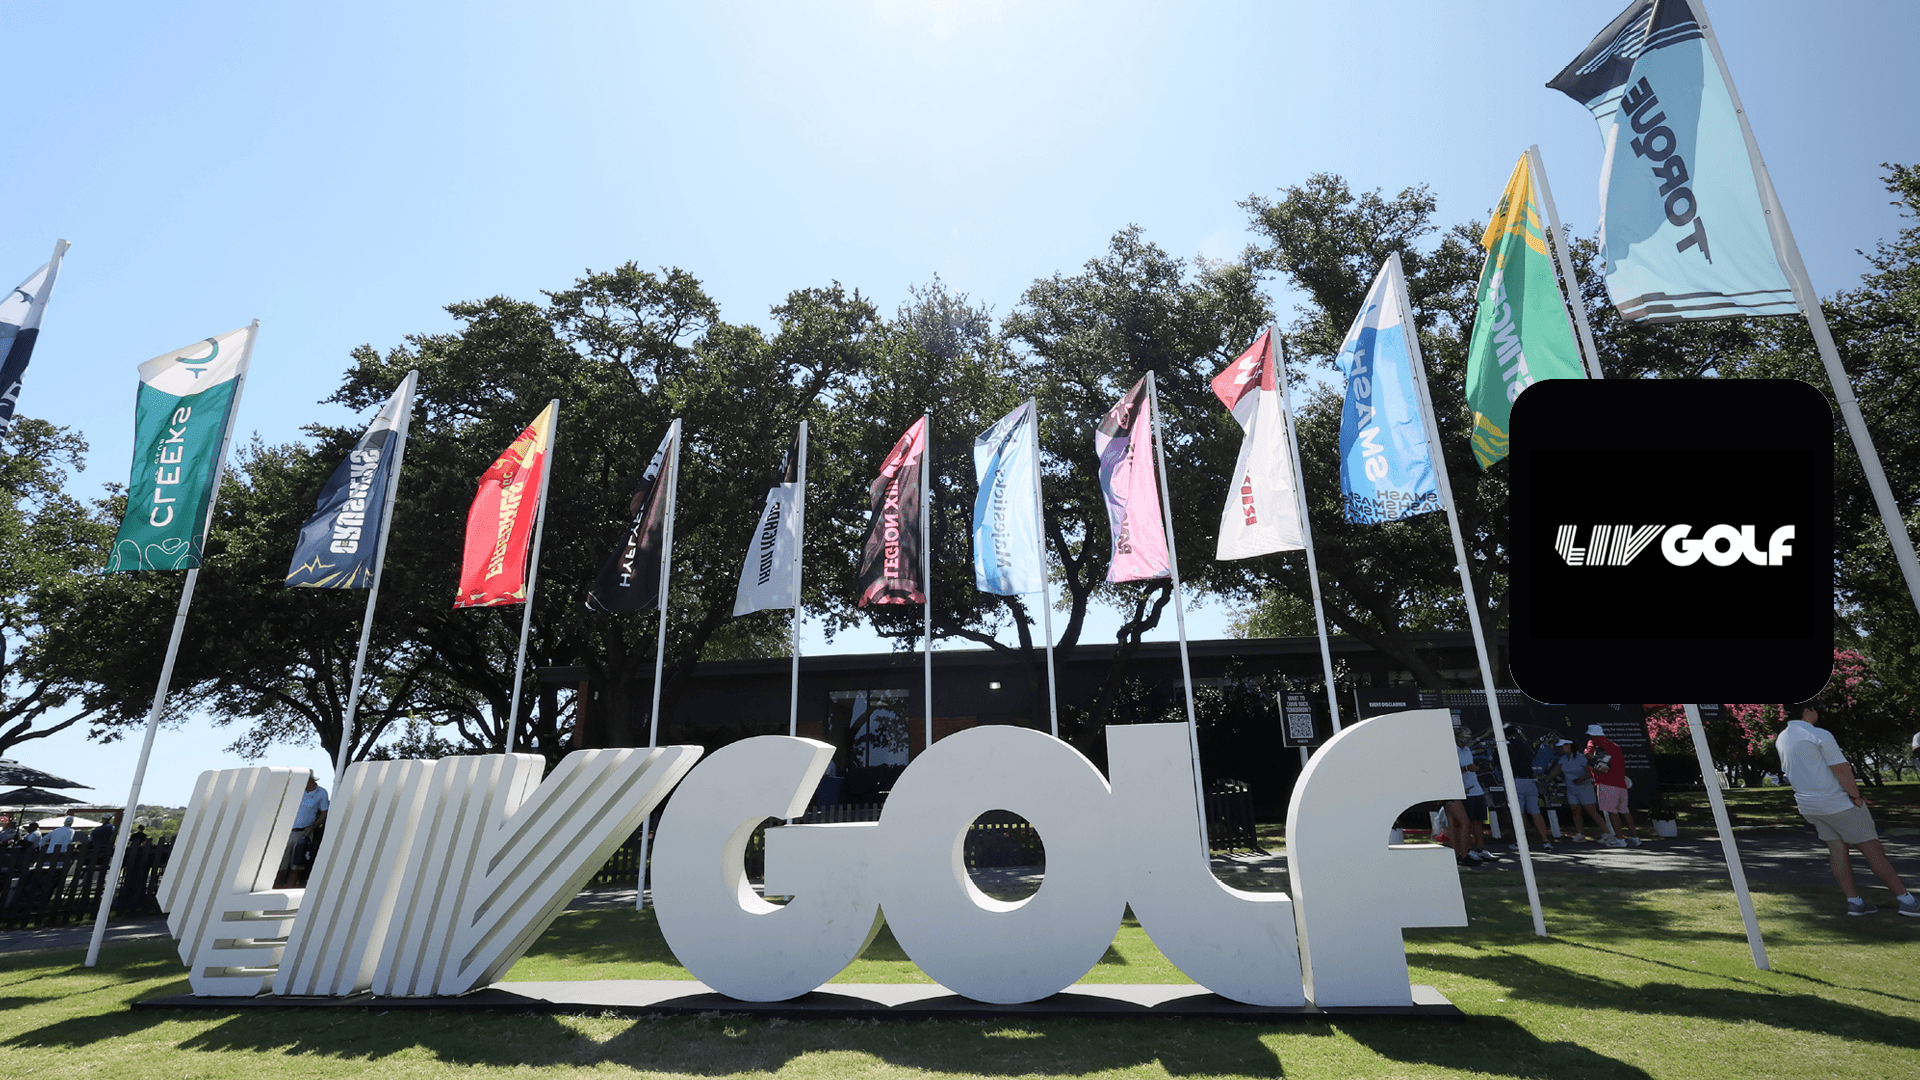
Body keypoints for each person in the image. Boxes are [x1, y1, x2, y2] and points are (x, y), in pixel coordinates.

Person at [1776, 699, 1920, 917]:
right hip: (1838, 803)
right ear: (1807, 711)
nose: (1817, 712)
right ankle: (1907, 901)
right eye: (1815, 708)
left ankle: (1855, 902)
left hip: (1809, 806)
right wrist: (1855, 795)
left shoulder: (1782, 738)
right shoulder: (1818, 734)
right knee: (1873, 850)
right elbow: (1841, 769)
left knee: (1837, 851)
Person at [1585, 724, 1641, 848]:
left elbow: (1588, 755)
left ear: (1592, 735)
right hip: (1621, 783)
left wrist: (1588, 751)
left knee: (1612, 812)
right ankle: (1635, 838)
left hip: (1606, 783)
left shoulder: (1593, 743)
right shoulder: (1614, 746)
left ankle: (1620, 839)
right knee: (1625, 811)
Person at [1541, 739, 1604, 842]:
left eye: (1564, 746)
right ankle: (1580, 834)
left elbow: (1590, 773)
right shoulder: (1563, 759)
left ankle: (1607, 833)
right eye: (1561, 746)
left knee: (1592, 812)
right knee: (1575, 812)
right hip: (1571, 790)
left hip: (1585, 789)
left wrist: (1581, 779)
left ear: (1570, 746)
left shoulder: (1581, 758)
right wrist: (1546, 781)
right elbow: (1555, 771)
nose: (1562, 748)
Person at [1503, 734, 1555, 853]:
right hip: (1530, 781)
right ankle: (1545, 841)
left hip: (1515, 781)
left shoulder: (1505, 746)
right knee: (1535, 812)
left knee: (1518, 813)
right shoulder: (1524, 746)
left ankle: (1521, 842)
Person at [277, 775, 330, 888]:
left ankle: (291, 885)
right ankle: (276, 884)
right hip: (288, 829)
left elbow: (324, 812)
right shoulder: (297, 790)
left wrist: (313, 826)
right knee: (281, 858)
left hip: (305, 830)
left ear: (310, 779)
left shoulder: (321, 792)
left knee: (298, 859)